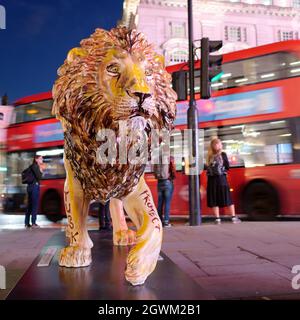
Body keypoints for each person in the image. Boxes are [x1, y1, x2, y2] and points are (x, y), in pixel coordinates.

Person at [206, 138, 241, 225]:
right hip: (222, 180)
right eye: (220, 144)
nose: (221, 145)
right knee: (228, 198)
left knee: (214, 199)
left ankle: (217, 219)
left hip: (211, 181)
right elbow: (227, 167)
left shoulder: (208, 156)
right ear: (217, 145)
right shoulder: (223, 154)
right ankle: (233, 218)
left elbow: (206, 168)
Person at [153, 156, 176, 227]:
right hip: (167, 181)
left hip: (159, 182)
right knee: (167, 203)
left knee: (160, 203)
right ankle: (166, 222)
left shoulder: (156, 159)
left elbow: (154, 172)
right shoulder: (169, 158)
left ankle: (159, 221)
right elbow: (173, 169)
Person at [25, 155, 44, 228]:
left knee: (30, 205)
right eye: (41, 158)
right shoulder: (35, 166)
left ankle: (27, 223)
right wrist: (41, 169)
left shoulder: (32, 166)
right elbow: (39, 177)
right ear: (36, 159)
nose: (42, 159)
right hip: (34, 187)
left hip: (30, 187)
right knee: (34, 205)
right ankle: (33, 223)